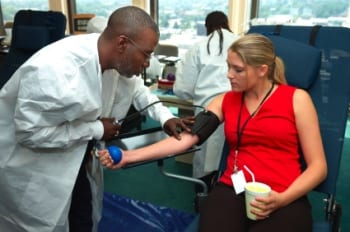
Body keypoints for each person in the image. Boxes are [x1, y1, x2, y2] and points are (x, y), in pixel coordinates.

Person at [99, 33, 327, 231]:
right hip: (233, 189)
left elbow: (318, 167)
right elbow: (184, 140)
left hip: (285, 193)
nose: (229, 75)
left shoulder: (297, 100)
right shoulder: (225, 101)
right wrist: (128, 157)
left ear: (262, 70)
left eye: (238, 69)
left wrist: (281, 199)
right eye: (228, 66)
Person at [0, 6, 189, 232]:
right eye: (147, 54)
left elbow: (139, 91)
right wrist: (97, 129)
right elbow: (29, 134)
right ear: (122, 44)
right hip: (35, 167)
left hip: (77, 155)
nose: (148, 62)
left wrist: (166, 117)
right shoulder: (54, 71)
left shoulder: (113, 58)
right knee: (41, 223)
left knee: (83, 216)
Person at [173, 11, 239, 190]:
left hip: (207, 114)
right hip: (241, 111)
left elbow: (182, 90)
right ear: (227, 23)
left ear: (206, 27)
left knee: (206, 161)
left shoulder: (198, 47)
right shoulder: (242, 43)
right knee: (236, 159)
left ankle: (203, 197)